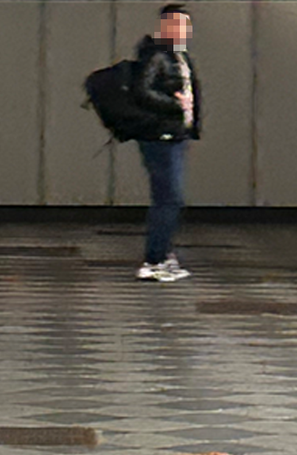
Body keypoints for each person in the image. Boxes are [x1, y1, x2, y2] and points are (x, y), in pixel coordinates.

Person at [132, 3, 201, 283]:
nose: (180, 30)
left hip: (174, 135)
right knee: (168, 198)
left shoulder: (178, 56)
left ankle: (164, 254)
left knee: (169, 197)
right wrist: (174, 105)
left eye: (184, 25)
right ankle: (154, 259)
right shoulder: (157, 56)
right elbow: (142, 91)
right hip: (160, 135)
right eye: (174, 25)